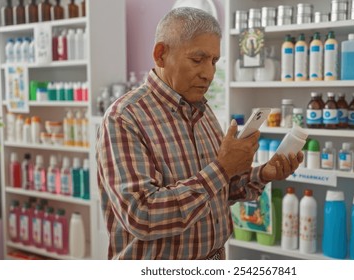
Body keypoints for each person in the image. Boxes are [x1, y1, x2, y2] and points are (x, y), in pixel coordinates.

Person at [96, 7, 303, 260]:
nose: (209, 73)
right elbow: (142, 215)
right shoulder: (124, 118)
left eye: (214, 61)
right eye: (197, 59)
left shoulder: (203, 111)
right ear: (161, 55)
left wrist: (262, 174)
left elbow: (219, 191)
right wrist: (223, 168)